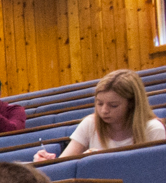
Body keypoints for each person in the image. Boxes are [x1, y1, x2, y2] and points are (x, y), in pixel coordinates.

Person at [35, 69, 166, 161]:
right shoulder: (90, 123)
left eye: (113, 105)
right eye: (99, 103)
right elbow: (65, 163)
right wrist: (47, 161)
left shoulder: (153, 129)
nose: (104, 110)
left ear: (131, 104)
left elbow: (154, 174)